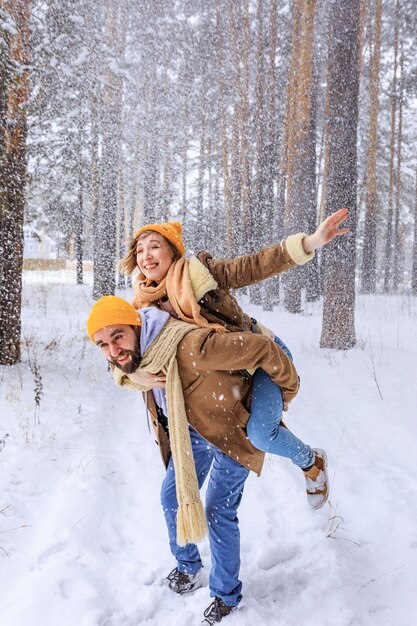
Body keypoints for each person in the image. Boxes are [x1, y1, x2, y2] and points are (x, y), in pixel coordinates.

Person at [86, 296, 328, 624]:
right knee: (172, 497)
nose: (113, 350)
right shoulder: (141, 355)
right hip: (192, 433)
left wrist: (287, 392)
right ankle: (189, 569)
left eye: (118, 337)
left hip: (230, 431)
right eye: (103, 344)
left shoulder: (190, 344)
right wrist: (130, 375)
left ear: (137, 326)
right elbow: (122, 366)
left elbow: (264, 349)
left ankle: (226, 595)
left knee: (218, 511)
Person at [119, 209, 349, 500]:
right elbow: (114, 344)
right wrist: (130, 373)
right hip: (230, 372)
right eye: (139, 250)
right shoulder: (141, 305)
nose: (146, 256)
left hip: (262, 356)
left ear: (173, 251)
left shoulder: (199, 274)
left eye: (154, 246)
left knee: (263, 434)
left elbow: (252, 266)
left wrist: (310, 242)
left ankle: (312, 462)